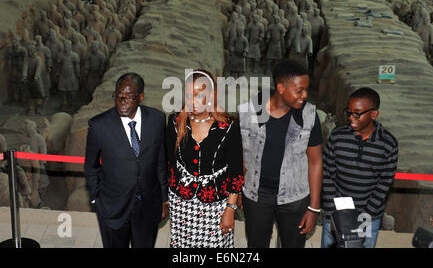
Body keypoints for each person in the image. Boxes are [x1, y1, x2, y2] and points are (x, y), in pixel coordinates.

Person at [238, 59, 323, 248]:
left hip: (295, 198)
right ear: (281, 88)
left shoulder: (309, 116)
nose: (304, 95)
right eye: (299, 90)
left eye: (306, 89)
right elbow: (242, 155)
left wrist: (314, 207)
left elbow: (315, 162)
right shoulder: (249, 111)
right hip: (256, 196)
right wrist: (239, 192)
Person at [84, 72, 168, 248]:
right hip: (112, 207)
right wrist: (96, 199)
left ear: (141, 97)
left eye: (128, 97)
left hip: (148, 205)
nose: (122, 102)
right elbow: (91, 167)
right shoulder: (99, 125)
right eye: (118, 96)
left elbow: (160, 162)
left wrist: (164, 199)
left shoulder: (157, 119)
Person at [165, 69, 244, 248]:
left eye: (199, 94)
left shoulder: (229, 127)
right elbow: (170, 163)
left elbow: (236, 173)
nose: (193, 101)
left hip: (217, 204)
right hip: (181, 203)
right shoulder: (175, 122)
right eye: (188, 95)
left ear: (211, 94)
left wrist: (230, 210)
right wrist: (166, 197)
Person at [321, 87, 398, 248]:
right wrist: (332, 216)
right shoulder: (337, 136)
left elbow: (383, 185)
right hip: (336, 213)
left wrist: (364, 218)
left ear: (374, 114)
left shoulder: (388, 144)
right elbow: (328, 176)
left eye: (357, 113)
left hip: (369, 218)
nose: (351, 117)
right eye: (348, 112)